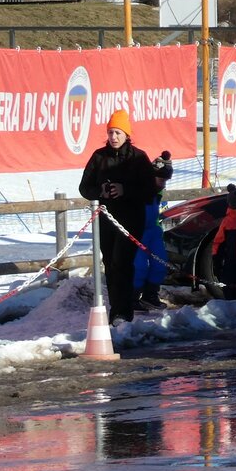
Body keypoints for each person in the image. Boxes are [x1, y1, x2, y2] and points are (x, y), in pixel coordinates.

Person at [78, 109, 156, 324]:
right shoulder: (99, 157)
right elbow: (84, 187)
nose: (114, 137)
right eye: (111, 133)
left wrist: (125, 190)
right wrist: (100, 192)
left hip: (130, 219)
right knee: (110, 264)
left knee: (122, 262)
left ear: (127, 135)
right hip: (106, 220)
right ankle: (116, 310)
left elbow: (149, 190)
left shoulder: (138, 158)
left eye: (118, 133)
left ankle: (124, 311)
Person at [133, 151, 173, 310]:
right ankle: (133, 297)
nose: (163, 184)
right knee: (139, 266)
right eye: (161, 180)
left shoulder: (157, 189)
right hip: (139, 231)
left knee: (160, 262)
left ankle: (151, 294)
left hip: (154, 229)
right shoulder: (140, 188)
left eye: (166, 181)